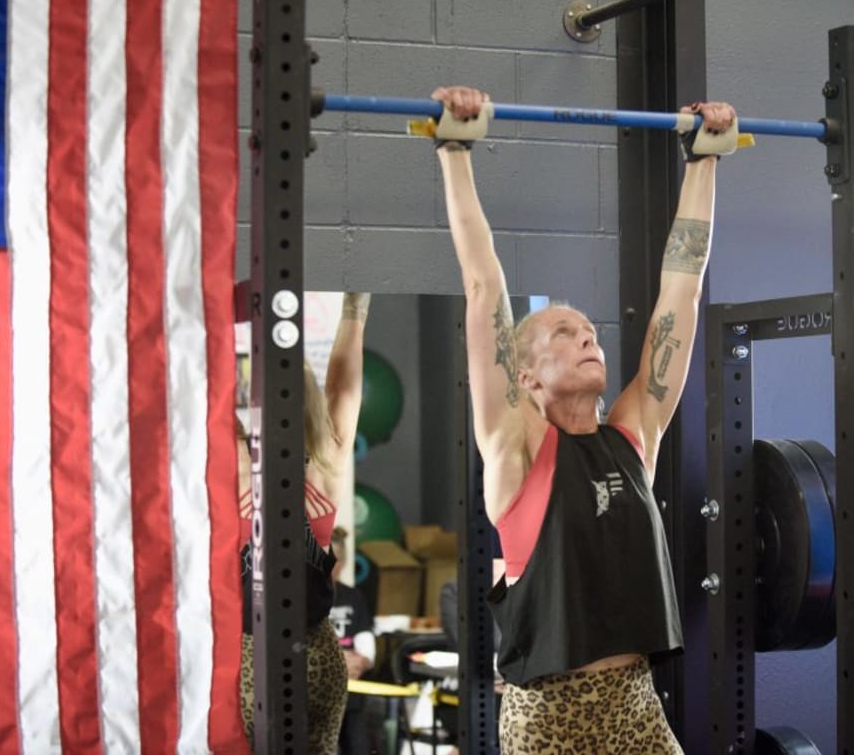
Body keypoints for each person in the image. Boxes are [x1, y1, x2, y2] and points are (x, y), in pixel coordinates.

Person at [433, 85, 735, 753]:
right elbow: (483, 284)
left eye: (591, 330)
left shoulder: (633, 434)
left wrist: (704, 161)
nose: (588, 336)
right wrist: (455, 149)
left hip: (634, 703)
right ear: (527, 376)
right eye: (566, 333)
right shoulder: (515, 449)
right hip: (548, 716)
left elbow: (680, 293)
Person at [238, 291, 372, 753]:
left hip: (263, 654)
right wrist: (356, 303)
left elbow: (341, 386)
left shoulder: (239, 464)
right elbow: (344, 387)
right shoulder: (326, 463)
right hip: (309, 651)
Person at [329, 527, 376, 755]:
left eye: (336, 560)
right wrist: (337, 663)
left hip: (352, 694)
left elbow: (366, 640)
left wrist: (362, 662)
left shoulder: (353, 597)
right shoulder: (300, 599)